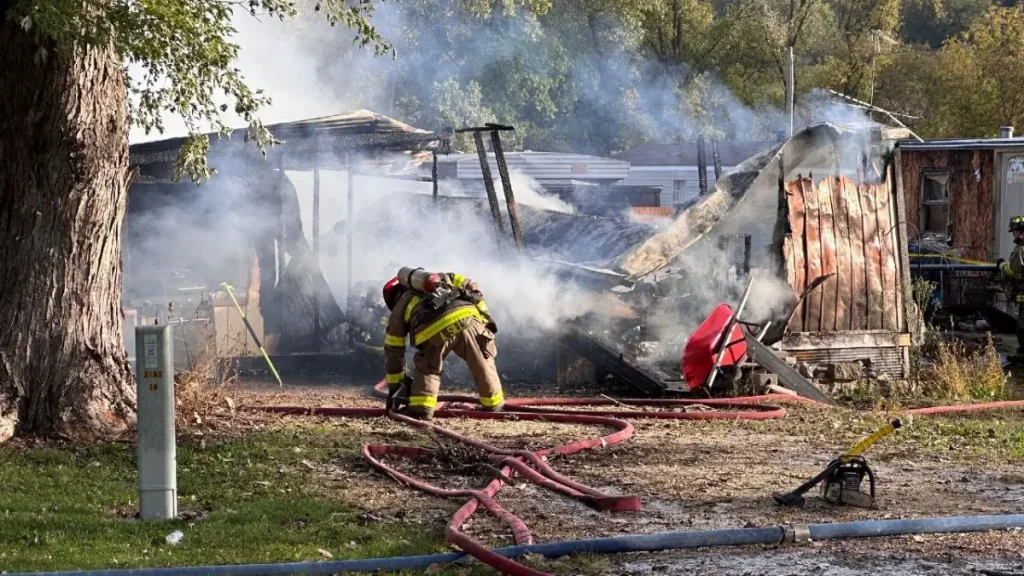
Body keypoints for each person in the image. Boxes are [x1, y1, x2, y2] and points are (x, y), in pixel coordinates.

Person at [381, 271, 504, 420]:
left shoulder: (402, 303)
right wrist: (485, 319)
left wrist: (394, 386)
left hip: (434, 331)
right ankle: (493, 404)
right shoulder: (442, 278)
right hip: (469, 318)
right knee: (482, 362)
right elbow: (473, 288)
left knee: (428, 369)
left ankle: (422, 409)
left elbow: (394, 349)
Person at [999, 216, 1024, 358]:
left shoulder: (1021, 250)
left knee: (1022, 327)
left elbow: (1012, 270)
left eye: (1015, 232)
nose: (1013, 235)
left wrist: (1001, 265)